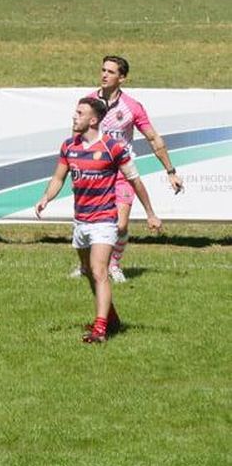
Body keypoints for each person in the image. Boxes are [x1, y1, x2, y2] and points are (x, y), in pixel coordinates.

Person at [35, 97, 163, 343]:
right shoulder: (69, 146)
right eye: (75, 112)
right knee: (88, 272)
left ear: (93, 120)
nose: (74, 116)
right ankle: (112, 320)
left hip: (104, 220)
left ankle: (100, 329)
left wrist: (150, 213)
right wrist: (46, 198)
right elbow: (58, 179)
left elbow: (135, 180)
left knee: (99, 270)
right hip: (80, 221)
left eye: (79, 113)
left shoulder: (112, 148)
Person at [86, 54, 184, 282]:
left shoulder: (132, 107)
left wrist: (171, 172)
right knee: (91, 225)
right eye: (103, 70)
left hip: (122, 172)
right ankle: (87, 266)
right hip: (95, 173)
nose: (104, 74)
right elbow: (77, 136)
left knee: (120, 225)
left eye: (110, 72)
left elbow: (153, 138)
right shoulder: (89, 102)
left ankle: (114, 265)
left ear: (122, 78)